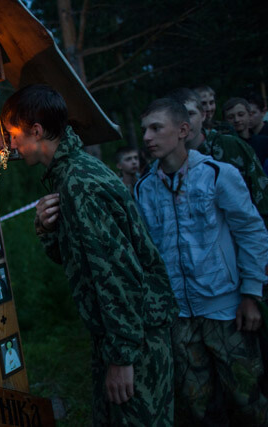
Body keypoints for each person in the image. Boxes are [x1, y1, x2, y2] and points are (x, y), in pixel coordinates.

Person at [2, 84, 178, 426]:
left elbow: (117, 274)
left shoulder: (80, 183)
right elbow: (81, 261)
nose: (10, 146)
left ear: (36, 131)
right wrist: (46, 229)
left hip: (136, 339)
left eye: (13, 135)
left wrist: (122, 358)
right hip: (121, 335)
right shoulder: (69, 175)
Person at [135, 98, 268, 425]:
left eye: (156, 128)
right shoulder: (144, 188)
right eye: (144, 130)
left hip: (226, 309)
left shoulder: (218, 175)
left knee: (248, 396)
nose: (147, 138)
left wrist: (251, 294)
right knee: (198, 405)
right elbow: (146, 253)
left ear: (183, 130)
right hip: (178, 314)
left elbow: (251, 231)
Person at [167, 88, 268, 228]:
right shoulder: (167, 162)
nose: (185, 122)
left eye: (190, 114)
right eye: (177, 116)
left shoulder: (230, 147)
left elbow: (262, 198)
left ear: (203, 115)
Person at [223, 97, 268, 166]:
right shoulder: (223, 146)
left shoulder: (264, 142)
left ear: (249, 115)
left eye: (241, 115)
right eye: (231, 117)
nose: (236, 120)